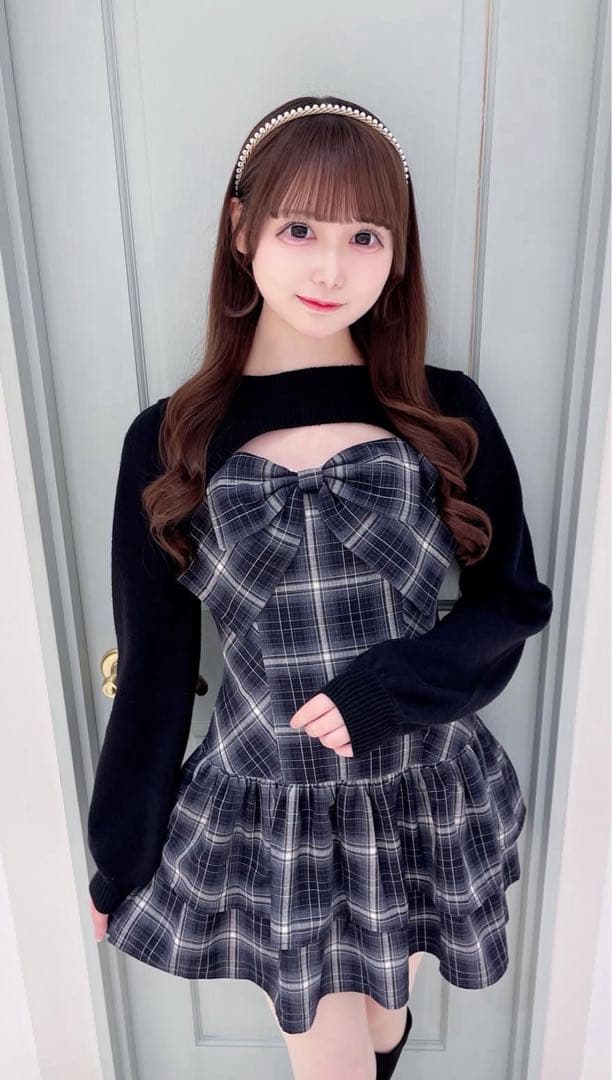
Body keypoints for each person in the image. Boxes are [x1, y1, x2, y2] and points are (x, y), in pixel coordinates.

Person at [87, 94, 554, 1080]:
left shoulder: (442, 411)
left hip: (417, 789)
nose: (331, 268)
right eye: (300, 228)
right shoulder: (169, 441)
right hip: (276, 810)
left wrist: (391, 689)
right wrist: (119, 850)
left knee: (385, 1019)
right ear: (242, 229)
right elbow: (158, 668)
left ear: (397, 253)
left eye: (365, 236)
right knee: (331, 1058)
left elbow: (510, 603)